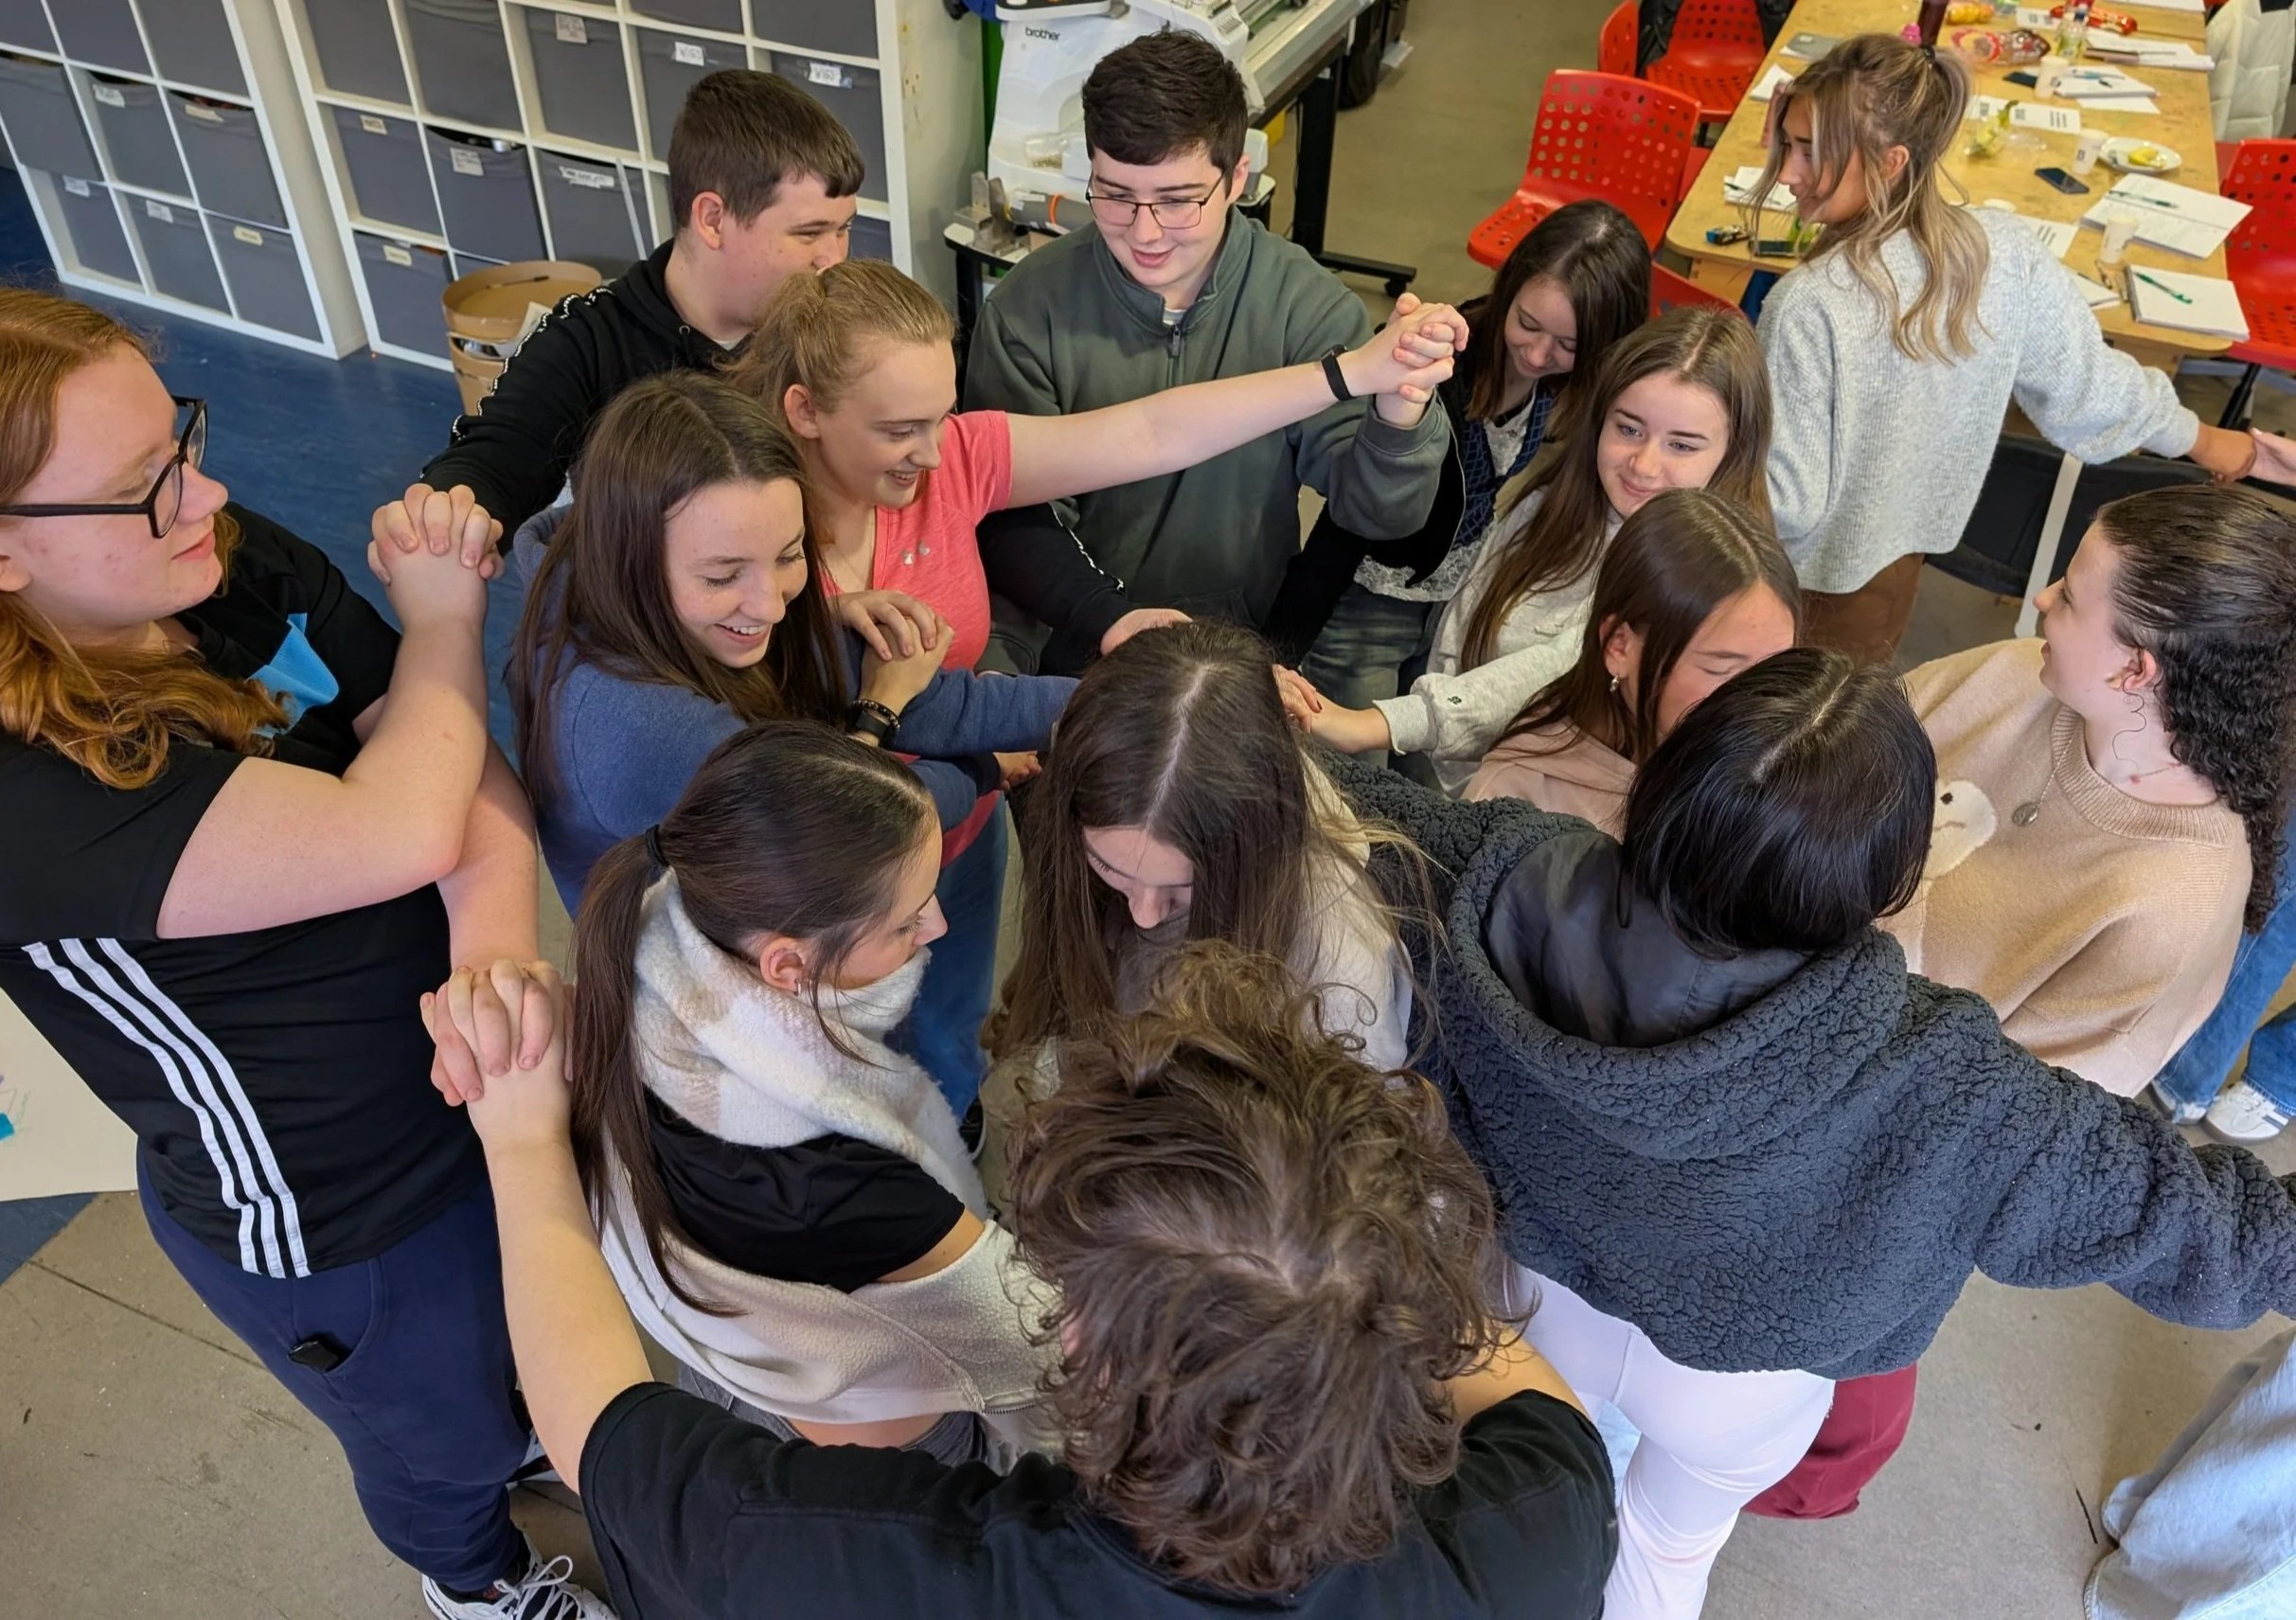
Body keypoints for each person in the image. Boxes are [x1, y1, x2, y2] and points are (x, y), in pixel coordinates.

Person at [1336, 649, 2296, 1620]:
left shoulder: (1487, 866)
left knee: (1478, 1490)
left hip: (1519, 1297)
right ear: (1888, 880)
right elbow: (2192, 1224)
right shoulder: (1955, 1084)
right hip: (1732, 1380)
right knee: (1668, 1548)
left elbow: (1328, 794)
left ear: (1666, 778)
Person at [0, 290, 610, 1619]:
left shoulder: (208, 558)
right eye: (139, 487)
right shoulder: (27, 780)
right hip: (327, 1200)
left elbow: (447, 758)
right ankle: (473, 1578)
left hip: (462, 1079)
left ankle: (509, 1447)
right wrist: (450, 614)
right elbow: (397, 815)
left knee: (525, 1331)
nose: (203, 491)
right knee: (430, 1436)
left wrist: (495, 958)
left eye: (183, 444)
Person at [432, 940, 1620, 1619]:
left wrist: (525, 1144)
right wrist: (1349, 1256)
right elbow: (1537, 1407)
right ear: (1400, 1303)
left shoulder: (877, 1570)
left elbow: (600, 1431)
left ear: (1088, 1348)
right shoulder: (1536, 1536)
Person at [721, 260, 1462, 1102]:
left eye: (942, 416)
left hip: (959, 836)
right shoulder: (743, 550)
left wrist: (1352, 374)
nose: (929, 453)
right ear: (803, 411)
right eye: (899, 429)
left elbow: (1152, 432)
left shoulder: (948, 464)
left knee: (949, 1038)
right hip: (833, 871)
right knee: (828, 1067)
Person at [544, 720, 1058, 1465]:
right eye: (907, 919)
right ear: (787, 966)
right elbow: (1029, 1336)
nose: (937, 926)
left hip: (731, 1356)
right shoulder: (835, 1176)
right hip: (871, 1434)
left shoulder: (657, 928)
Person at [1751, 33, 2259, 666]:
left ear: (1889, 164)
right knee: (1842, 703)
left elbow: (1783, 506)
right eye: (1787, 145)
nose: (1788, 173)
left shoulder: (1807, 304)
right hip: (1897, 561)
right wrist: (2208, 439)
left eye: (1808, 151)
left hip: (1794, 579)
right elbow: (2089, 391)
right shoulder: (2003, 250)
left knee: (1771, 719)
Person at [962, 28, 1453, 674]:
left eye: (1176, 201)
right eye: (1114, 195)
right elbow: (1008, 514)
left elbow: (1376, 514)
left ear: (1237, 176)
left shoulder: (1305, 305)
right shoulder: (1028, 308)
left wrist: (1396, 418)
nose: (1144, 233)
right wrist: (1102, 623)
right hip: (1065, 643)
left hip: (1219, 652)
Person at [507, 373, 1072, 928]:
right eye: (723, 577)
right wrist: (949, 751)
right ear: (630, 563)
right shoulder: (638, 727)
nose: (773, 608)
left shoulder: (679, 607)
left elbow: (943, 701)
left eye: (789, 555)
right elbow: (846, 836)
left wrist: (1107, 697)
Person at [1885, 485, 2296, 1098]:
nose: (2041, 596)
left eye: (2069, 597)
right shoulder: (2021, 671)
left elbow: (1989, 1113)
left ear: (2133, 670)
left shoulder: (2170, 910)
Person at [372, 69, 865, 564]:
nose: (834, 258)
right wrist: (448, 514)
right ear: (713, 219)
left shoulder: (835, 315)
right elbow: (498, 457)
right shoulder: (589, 341)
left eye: (843, 229)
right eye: (808, 233)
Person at [1304, 307, 1772, 795]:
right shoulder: (1555, 500)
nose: (1645, 465)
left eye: (1682, 446)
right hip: (1463, 766)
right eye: (1629, 429)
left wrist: (1382, 723)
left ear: (1735, 450)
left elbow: (1560, 667)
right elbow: (1471, 606)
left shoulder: (1709, 573)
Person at [986, 621, 1415, 1100]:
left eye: (1179, 890)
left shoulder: (1337, 972)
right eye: (1111, 869)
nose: (1143, 914)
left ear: (1251, 849)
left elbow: (1344, 1151)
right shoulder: (1084, 796)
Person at [1273, 198, 1653, 707]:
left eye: (1569, 343)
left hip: (1447, 603)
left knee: (1423, 769)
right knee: (1357, 772)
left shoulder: (1566, 387)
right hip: (1367, 605)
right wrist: (1280, 646)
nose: (1539, 355)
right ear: (1510, 284)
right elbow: (1353, 509)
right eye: (1529, 324)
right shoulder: (1437, 366)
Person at [1467, 489, 1800, 828]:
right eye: (1722, 669)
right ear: (1619, 646)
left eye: (1777, 669)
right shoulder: (1517, 798)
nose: (1761, 702)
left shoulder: (1780, 758)